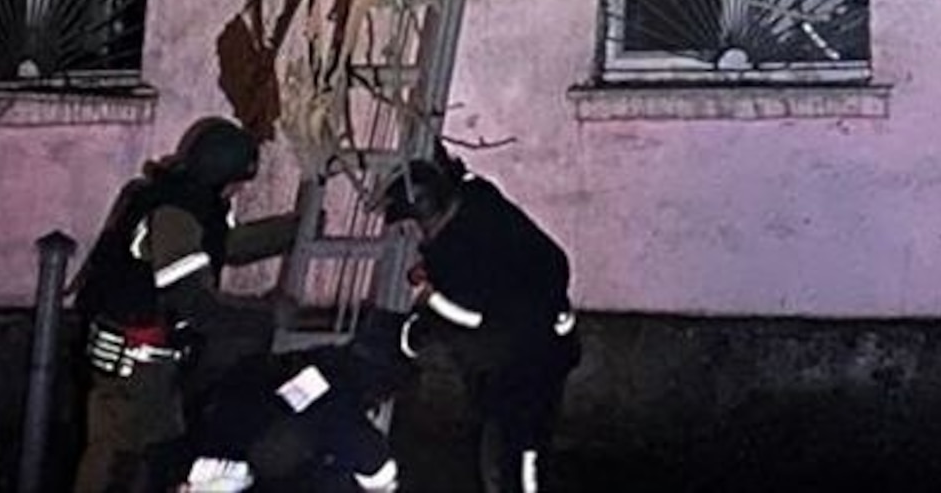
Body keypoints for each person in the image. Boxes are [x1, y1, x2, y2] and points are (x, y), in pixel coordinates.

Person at [69, 116, 300, 493]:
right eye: (237, 184)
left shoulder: (178, 199)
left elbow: (223, 247)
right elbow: (196, 305)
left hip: (141, 366)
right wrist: (267, 316)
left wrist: (290, 231)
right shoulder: (177, 215)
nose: (236, 193)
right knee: (121, 462)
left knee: (148, 455)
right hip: (136, 367)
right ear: (223, 178)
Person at [382, 147, 582, 493]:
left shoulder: (460, 256)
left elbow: (468, 318)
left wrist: (428, 299)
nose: (410, 237)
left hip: (526, 359)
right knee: (502, 446)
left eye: (410, 227)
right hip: (535, 344)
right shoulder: (476, 201)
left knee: (520, 454)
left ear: (426, 216)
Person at [174, 321, 415, 493]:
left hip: (215, 430)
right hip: (227, 446)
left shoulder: (322, 371)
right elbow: (360, 450)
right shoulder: (339, 402)